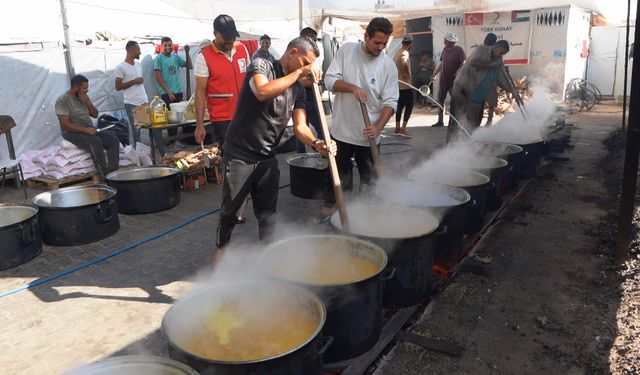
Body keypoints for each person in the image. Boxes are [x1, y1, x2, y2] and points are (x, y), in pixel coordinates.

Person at [196, 37, 334, 262]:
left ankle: (269, 259)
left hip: (268, 156)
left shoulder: (298, 89)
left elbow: (300, 128)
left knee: (268, 213)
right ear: (293, 52)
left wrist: (317, 144)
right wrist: (299, 74)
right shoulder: (262, 65)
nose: (307, 69)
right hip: (240, 153)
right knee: (231, 210)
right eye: (305, 62)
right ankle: (221, 252)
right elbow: (262, 91)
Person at [314, 17, 398, 222]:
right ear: (366, 36)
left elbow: (391, 102)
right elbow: (330, 80)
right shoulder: (346, 51)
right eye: (377, 42)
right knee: (337, 178)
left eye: (384, 43)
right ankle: (333, 214)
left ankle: (366, 217)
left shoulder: (388, 65)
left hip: (369, 137)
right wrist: (352, 87)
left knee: (370, 180)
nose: (380, 47)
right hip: (342, 131)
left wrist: (378, 128)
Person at [194, 14, 250, 148]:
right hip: (222, 120)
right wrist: (199, 125)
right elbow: (200, 93)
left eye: (232, 36)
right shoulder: (204, 58)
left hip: (245, 115)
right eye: (225, 37)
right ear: (215, 34)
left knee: (249, 158)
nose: (230, 40)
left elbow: (250, 81)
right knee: (228, 161)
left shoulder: (242, 49)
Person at [55, 75, 119, 178]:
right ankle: (104, 174)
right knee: (95, 141)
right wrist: (85, 130)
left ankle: (113, 172)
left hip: (89, 130)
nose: (87, 90)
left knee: (113, 139)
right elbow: (65, 125)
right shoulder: (63, 101)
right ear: (76, 87)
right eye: (84, 88)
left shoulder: (83, 97)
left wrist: (87, 102)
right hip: (71, 132)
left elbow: (95, 114)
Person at [448, 39, 511, 141]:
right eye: (501, 52)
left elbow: (501, 78)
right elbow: (474, 62)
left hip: (478, 96)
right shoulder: (481, 49)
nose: (501, 55)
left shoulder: (499, 59)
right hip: (462, 89)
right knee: (457, 118)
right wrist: (492, 64)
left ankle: (468, 144)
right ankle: (451, 144)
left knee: (474, 122)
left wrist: (512, 90)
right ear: (496, 46)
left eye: (503, 54)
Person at [153, 36, 193, 142]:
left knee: (181, 118)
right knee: (172, 119)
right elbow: (158, 77)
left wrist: (187, 53)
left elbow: (190, 66)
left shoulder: (175, 57)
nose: (167, 47)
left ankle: (181, 141)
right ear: (162, 46)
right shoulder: (158, 59)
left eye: (169, 45)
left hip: (178, 91)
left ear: (172, 45)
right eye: (165, 45)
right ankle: (173, 142)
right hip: (167, 93)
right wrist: (168, 92)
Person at [296, 27, 324, 153]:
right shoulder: (299, 57)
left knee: (304, 128)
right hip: (304, 99)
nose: (314, 43)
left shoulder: (312, 54)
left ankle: (320, 153)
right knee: (319, 128)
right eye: (312, 40)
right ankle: (320, 154)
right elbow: (297, 79)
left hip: (311, 96)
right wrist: (313, 80)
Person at [115, 41, 148, 145]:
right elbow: (118, 87)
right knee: (136, 132)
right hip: (132, 103)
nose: (140, 52)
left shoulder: (138, 65)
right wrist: (134, 81)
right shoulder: (121, 67)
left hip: (144, 102)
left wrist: (139, 81)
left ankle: (160, 155)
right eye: (138, 50)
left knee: (153, 128)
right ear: (130, 50)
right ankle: (140, 157)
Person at [431, 32, 466, 127]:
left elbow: (463, 63)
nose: (444, 42)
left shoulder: (459, 50)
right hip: (443, 80)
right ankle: (440, 121)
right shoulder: (445, 49)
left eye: (446, 40)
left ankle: (455, 121)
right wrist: (434, 74)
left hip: (454, 82)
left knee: (454, 102)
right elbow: (442, 64)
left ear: (451, 42)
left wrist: (459, 70)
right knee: (440, 101)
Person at [394, 34, 414, 138]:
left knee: (400, 106)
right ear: (410, 43)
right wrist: (406, 73)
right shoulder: (405, 52)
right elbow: (404, 61)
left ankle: (397, 128)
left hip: (398, 85)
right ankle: (403, 129)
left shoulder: (398, 52)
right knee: (409, 106)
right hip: (405, 85)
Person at [482, 33, 498, 125]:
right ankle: (489, 120)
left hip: (486, 80)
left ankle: (489, 120)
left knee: (484, 102)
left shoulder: (482, 50)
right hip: (488, 80)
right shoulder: (494, 51)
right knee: (491, 103)